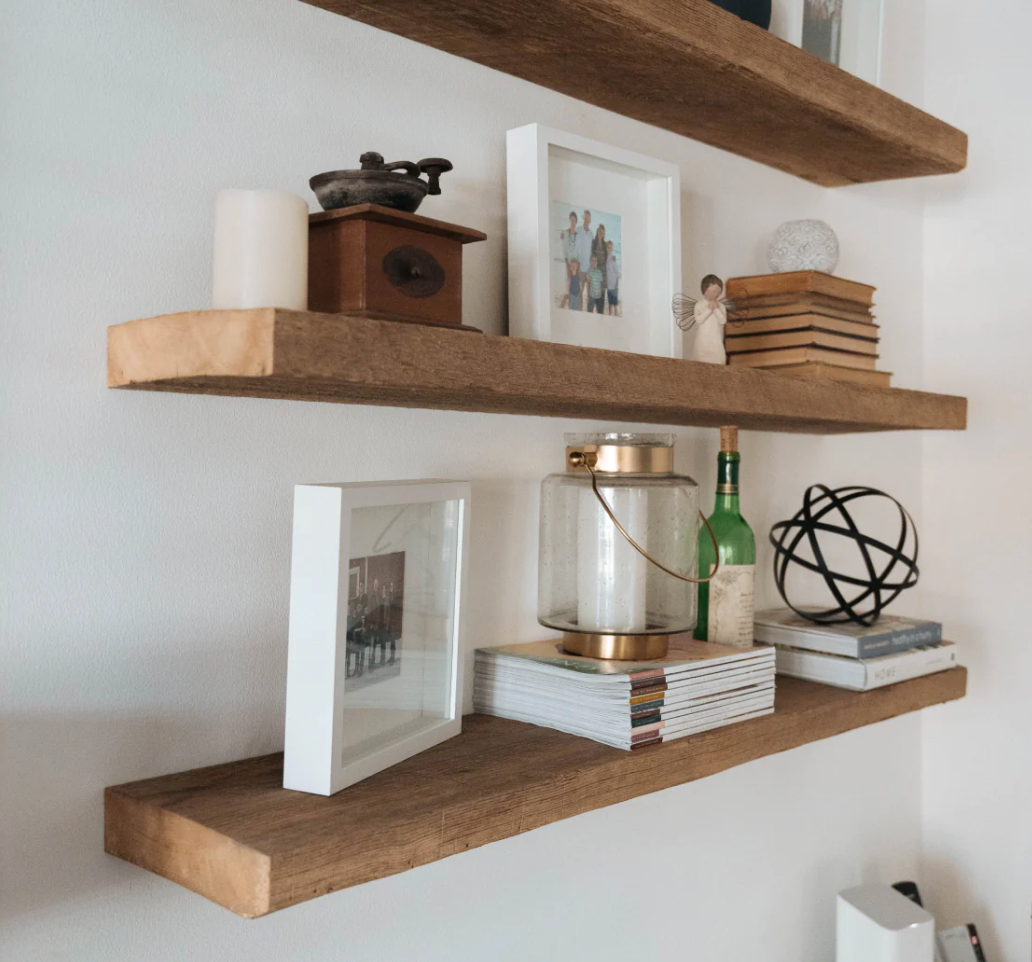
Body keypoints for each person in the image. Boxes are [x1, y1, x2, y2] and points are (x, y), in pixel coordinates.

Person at [692, 274, 728, 365]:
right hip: (703, 339)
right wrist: (709, 309)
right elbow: (699, 320)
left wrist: (716, 309)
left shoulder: (721, 306)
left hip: (716, 339)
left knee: (717, 361)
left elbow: (723, 320)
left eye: (718, 291)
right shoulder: (699, 305)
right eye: (713, 291)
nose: (716, 294)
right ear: (704, 290)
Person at [559, 211, 581, 309]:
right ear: (570, 220)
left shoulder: (578, 235)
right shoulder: (565, 233)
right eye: (571, 220)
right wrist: (567, 263)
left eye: (575, 220)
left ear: (576, 222)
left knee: (574, 286)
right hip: (568, 263)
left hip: (575, 265)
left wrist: (578, 265)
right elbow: (563, 250)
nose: (573, 222)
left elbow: (579, 251)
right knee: (567, 285)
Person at [576, 210, 593, 310]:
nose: (586, 219)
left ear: (590, 220)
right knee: (580, 293)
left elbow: (592, 251)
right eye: (585, 217)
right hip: (580, 268)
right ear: (583, 218)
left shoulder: (591, 233)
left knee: (589, 296)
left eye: (588, 218)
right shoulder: (578, 230)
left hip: (589, 269)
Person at [605, 240, 620, 315]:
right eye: (607, 247)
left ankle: (616, 317)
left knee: (615, 305)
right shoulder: (606, 259)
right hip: (608, 286)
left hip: (614, 286)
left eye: (610, 247)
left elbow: (617, 273)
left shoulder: (613, 259)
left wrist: (616, 285)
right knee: (610, 304)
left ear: (612, 249)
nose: (609, 249)